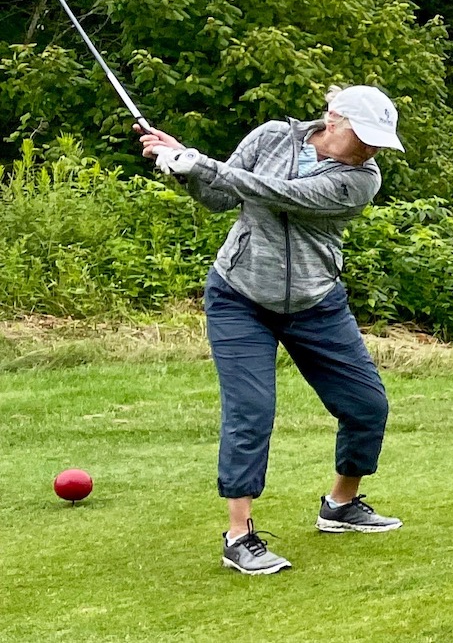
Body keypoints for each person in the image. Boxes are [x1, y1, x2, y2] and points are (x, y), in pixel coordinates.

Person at [140, 85, 407, 576]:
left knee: (367, 406)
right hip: (238, 296)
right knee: (252, 411)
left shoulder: (361, 181)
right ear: (333, 119)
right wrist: (180, 169)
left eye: (378, 141)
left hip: (315, 302)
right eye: (364, 136)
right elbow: (221, 197)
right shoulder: (270, 139)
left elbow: (281, 195)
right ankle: (239, 537)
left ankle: (340, 505)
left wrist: (197, 161)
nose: (371, 149)